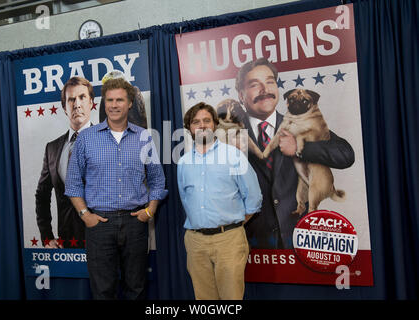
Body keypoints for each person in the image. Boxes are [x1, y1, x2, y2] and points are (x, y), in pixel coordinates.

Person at [65, 77, 167, 300]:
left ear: (129, 103)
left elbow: (158, 181)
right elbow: (72, 183)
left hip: (135, 224)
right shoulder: (86, 139)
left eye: (119, 100)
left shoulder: (143, 137)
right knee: (102, 292)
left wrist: (149, 211)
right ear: (104, 104)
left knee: (136, 289)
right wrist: (85, 215)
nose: (113, 105)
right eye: (109, 100)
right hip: (99, 225)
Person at [236, 58, 355, 249]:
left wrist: (302, 149)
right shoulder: (230, 136)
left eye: (269, 82)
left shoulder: (300, 123)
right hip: (251, 246)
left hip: (300, 240)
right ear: (241, 95)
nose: (264, 89)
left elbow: (345, 154)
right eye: (254, 85)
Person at [177, 102, 262, 300]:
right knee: (203, 299)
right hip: (195, 241)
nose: (202, 125)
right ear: (189, 127)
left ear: (215, 125)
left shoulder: (233, 155)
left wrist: (235, 224)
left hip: (229, 240)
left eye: (207, 120)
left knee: (231, 298)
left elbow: (254, 197)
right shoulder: (183, 162)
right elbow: (185, 199)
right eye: (196, 122)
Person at [35, 76, 94, 249]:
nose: (77, 104)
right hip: (67, 244)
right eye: (71, 99)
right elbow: (42, 195)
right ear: (64, 107)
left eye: (82, 97)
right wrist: (47, 237)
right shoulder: (52, 148)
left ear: (91, 102)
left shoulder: (108, 141)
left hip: (103, 242)